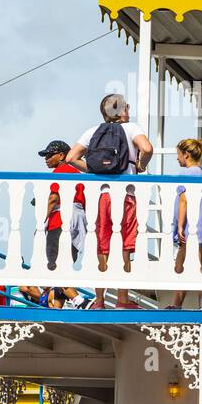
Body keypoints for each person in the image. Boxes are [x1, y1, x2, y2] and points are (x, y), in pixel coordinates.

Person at [67, 94, 153, 310]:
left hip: (101, 197)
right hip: (125, 196)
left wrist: (94, 170)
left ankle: (99, 300)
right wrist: (140, 165)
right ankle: (122, 300)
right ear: (122, 111)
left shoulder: (93, 131)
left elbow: (70, 158)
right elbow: (148, 149)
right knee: (124, 244)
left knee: (101, 245)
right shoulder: (132, 128)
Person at [169, 138, 202, 310]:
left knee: (180, 266)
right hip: (201, 227)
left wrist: (179, 226)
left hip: (188, 227)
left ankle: (176, 304)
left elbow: (184, 200)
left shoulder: (186, 174)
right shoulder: (201, 173)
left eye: (178, 155)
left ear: (186, 155)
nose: (177, 158)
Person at [38, 140, 80, 272]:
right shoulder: (77, 173)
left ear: (61, 155)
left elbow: (53, 198)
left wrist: (40, 222)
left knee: (53, 266)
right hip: (77, 225)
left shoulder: (60, 171)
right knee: (67, 265)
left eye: (49, 155)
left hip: (58, 223)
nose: (46, 159)